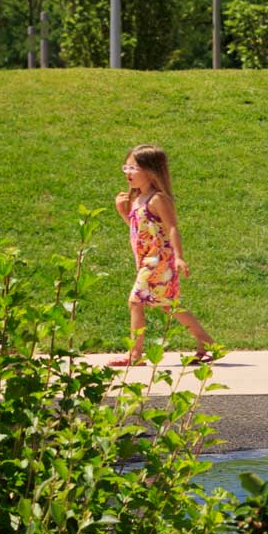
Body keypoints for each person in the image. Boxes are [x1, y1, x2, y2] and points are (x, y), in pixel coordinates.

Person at [109, 143, 216, 368]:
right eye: (125, 168)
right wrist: (122, 213)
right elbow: (140, 232)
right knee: (169, 305)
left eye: (133, 168)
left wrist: (179, 256)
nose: (127, 173)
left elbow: (172, 228)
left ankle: (135, 354)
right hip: (148, 260)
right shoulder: (138, 199)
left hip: (159, 260)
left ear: (150, 171)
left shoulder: (157, 199)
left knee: (135, 301)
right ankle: (206, 341)